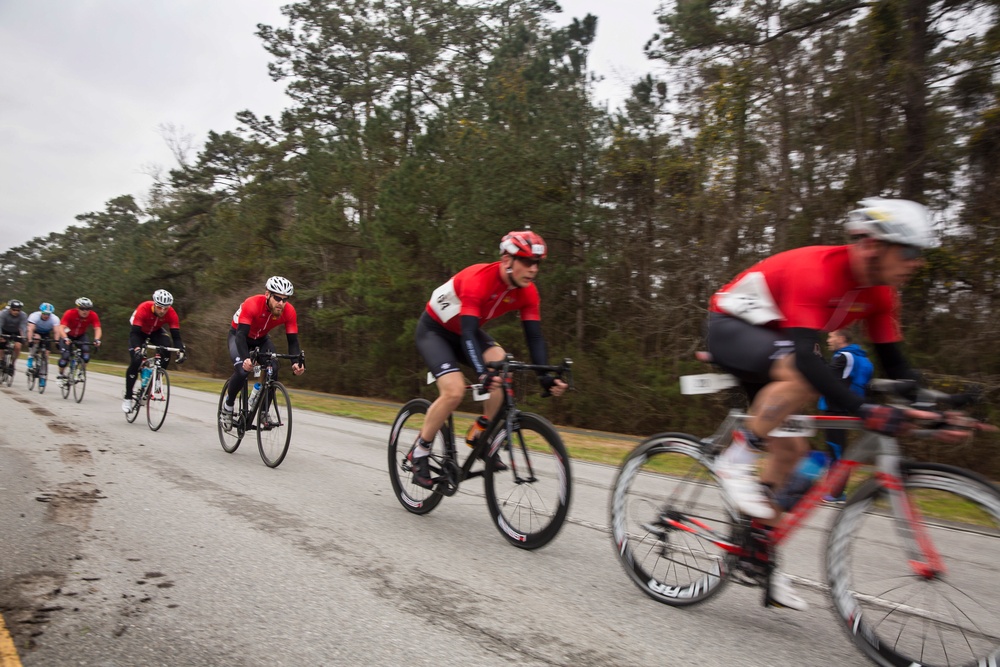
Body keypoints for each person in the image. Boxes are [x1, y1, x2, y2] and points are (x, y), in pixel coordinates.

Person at [705, 197, 971, 611]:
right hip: (732, 328)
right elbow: (808, 358)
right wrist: (865, 411)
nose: (917, 263)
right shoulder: (820, 271)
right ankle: (734, 457)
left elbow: (899, 371)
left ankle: (759, 554)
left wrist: (937, 409)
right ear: (872, 245)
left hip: (775, 347)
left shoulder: (881, 295)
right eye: (910, 251)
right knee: (804, 372)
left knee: (795, 454)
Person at [409, 230, 568, 489]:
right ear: (507, 259)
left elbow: (535, 338)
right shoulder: (478, 279)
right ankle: (419, 451)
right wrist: (483, 374)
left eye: (537, 263)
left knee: (503, 366)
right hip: (435, 331)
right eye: (527, 262)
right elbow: (470, 333)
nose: (533, 269)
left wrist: (545, 377)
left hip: (463, 332)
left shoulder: (528, 292)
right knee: (454, 391)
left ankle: (481, 433)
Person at [219, 276, 305, 429]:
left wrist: (296, 363)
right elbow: (240, 336)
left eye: (285, 299)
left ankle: (264, 412)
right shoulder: (252, 304)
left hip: (261, 339)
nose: (281, 303)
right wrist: (246, 359)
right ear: (267, 294)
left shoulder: (289, 311)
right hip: (239, 336)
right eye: (277, 298)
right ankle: (228, 406)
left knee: (274, 367)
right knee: (242, 370)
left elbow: (293, 341)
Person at [817, 328, 874, 504]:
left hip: (836, 409)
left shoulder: (844, 356)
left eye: (831, 336)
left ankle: (836, 493)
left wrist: (817, 359)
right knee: (836, 450)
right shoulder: (859, 357)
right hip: (847, 408)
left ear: (841, 338)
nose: (828, 340)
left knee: (836, 450)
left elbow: (828, 378)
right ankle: (835, 490)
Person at [121, 290, 186, 412]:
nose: (162, 311)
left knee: (167, 346)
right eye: (159, 307)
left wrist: (180, 350)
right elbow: (134, 334)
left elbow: (176, 336)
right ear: (154, 304)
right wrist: (137, 349)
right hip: (139, 332)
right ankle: (128, 397)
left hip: (155, 331)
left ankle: (157, 379)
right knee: (136, 360)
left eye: (165, 308)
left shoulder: (171, 313)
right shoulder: (144, 308)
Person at [57, 297, 102, 383]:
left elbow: (97, 328)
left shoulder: (93, 315)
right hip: (67, 335)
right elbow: (61, 327)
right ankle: (61, 374)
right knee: (64, 359)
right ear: (77, 308)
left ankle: (80, 372)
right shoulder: (70, 313)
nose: (85, 311)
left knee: (86, 355)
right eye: (82, 309)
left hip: (81, 335)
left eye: (88, 309)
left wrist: (97, 339)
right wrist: (65, 338)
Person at [26, 302, 61, 386]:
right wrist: (30, 340)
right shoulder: (34, 316)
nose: (46, 316)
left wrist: (57, 342)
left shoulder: (54, 318)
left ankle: (42, 376)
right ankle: (31, 356)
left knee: (46, 354)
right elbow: (30, 329)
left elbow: (56, 331)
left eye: (48, 314)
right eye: (44, 313)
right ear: (41, 312)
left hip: (46, 334)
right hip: (36, 331)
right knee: (36, 338)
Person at [0, 299, 28, 374]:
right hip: (4, 330)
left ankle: (12, 364)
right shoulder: (3, 314)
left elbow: (23, 327)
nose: (16, 312)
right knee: (1, 345)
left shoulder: (23, 315)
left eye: (18, 310)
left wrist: (24, 337)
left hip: (16, 331)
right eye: (14, 310)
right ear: (10, 309)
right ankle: (1, 360)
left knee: (18, 346)